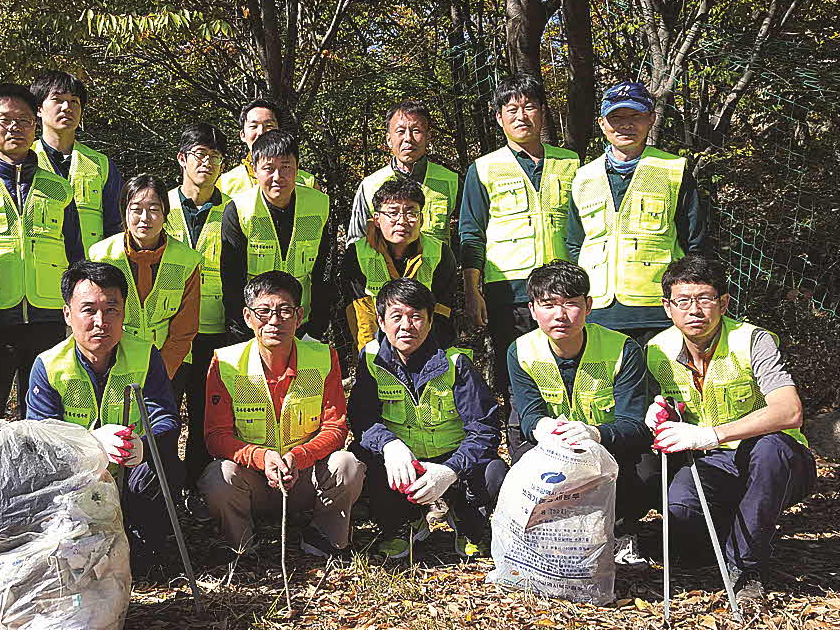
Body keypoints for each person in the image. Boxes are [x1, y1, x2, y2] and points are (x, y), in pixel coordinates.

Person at [642, 255, 813, 604]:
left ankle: (748, 569)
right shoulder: (655, 350)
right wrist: (659, 411)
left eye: (705, 299)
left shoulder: (753, 341)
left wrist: (713, 435)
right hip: (710, 466)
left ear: (723, 303)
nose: (695, 311)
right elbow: (661, 408)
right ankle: (736, 536)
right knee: (681, 516)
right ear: (667, 307)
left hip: (774, 461)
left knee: (772, 449)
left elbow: (789, 410)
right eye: (683, 301)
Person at [25, 261, 185, 577]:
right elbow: (37, 439)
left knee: (163, 468)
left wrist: (145, 444)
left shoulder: (144, 354)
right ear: (68, 314)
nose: (101, 321)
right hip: (74, 478)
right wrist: (91, 444)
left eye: (111, 310)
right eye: (88, 310)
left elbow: (165, 415)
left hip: (130, 469)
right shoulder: (48, 365)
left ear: (124, 314)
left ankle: (147, 549)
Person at [457, 73, 581, 454]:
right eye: (512, 109)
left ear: (543, 113)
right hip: (507, 290)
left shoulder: (572, 162)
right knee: (519, 375)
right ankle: (523, 454)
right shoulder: (484, 168)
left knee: (571, 373)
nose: (521, 115)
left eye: (529, 106)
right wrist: (472, 291)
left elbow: (584, 224)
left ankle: (576, 453)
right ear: (498, 117)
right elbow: (471, 232)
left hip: (564, 290)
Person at [199, 271, 364, 558]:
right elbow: (216, 437)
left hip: (305, 478)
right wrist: (261, 458)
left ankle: (324, 538)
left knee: (347, 464)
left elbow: (335, 429)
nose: (274, 321)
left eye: (284, 311)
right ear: (248, 317)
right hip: (254, 482)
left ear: (299, 316)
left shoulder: (324, 357)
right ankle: (241, 546)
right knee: (218, 476)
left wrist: (297, 458)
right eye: (263, 312)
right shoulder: (225, 363)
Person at [507, 260, 653, 562]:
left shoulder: (623, 349)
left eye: (571, 304)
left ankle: (621, 529)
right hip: (553, 451)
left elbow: (635, 424)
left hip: (610, 451)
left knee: (647, 470)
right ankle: (550, 533)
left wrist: (595, 433)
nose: (560, 315)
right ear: (533, 310)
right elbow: (528, 412)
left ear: (588, 305)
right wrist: (542, 427)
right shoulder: (520, 351)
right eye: (548, 305)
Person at [348, 279, 504, 559]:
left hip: (453, 462)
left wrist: (451, 470)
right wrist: (389, 445)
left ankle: (469, 523)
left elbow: (485, 429)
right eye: (396, 317)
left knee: (493, 471)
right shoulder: (371, 360)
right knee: (362, 457)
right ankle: (402, 525)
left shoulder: (455, 362)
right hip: (403, 462)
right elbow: (361, 419)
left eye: (416, 317)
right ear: (381, 322)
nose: (406, 326)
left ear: (430, 322)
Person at [0, 83, 80, 449]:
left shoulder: (58, 186)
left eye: (24, 120)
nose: (15, 128)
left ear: (35, 126)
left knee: (46, 419)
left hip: (47, 317)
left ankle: (41, 494)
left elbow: (75, 253)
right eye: (5, 120)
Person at [566, 81, 709, 344]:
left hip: (659, 309)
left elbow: (694, 242)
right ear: (601, 123)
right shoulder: (583, 177)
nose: (626, 125)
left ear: (651, 119)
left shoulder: (673, 170)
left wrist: (689, 301)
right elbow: (575, 243)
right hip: (598, 311)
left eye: (636, 116)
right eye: (616, 118)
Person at [163, 123, 230, 520]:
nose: (206, 163)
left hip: (215, 325)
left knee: (208, 414)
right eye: (199, 155)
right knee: (166, 410)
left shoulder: (233, 208)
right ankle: (165, 489)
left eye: (214, 157)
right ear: (182, 159)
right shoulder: (160, 205)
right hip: (168, 325)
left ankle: (197, 490)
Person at [219, 130, 334, 342]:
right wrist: (242, 332)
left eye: (286, 167)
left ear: (297, 168)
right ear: (255, 170)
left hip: (302, 323)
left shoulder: (319, 204)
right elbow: (231, 281)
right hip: (255, 326)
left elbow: (323, 272)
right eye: (268, 169)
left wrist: (316, 327)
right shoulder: (239, 210)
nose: (277, 177)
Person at [88, 174, 202, 380]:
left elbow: (185, 328)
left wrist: (161, 372)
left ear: (166, 214)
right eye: (136, 209)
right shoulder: (101, 255)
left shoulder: (187, 260)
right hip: (115, 361)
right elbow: (96, 316)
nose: (144, 218)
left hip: (170, 362)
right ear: (124, 213)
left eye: (153, 209)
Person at [340, 177, 458, 351]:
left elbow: (442, 313)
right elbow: (361, 317)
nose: (402, 221)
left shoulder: (440, 253)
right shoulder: (357, 254)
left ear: (421, 219)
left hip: (427, 345)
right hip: (377, 346)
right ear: (377, 219)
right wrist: (371, 359)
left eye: (411, 213)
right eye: (393, 213)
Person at [29, 70, 122, 252]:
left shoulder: (101, 164)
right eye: (57, 99)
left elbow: (116, 227)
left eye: (74, 101)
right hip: (40, 271)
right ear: (39, 109)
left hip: (91, 272)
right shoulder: (25, 161)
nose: (67, 107)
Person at [347, 101, 460, 246]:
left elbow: (471, 232)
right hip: (383, 268)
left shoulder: (450, 181)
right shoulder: (370, 185)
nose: (408, 138)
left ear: (428, 137)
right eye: (400, 131)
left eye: (416, 131)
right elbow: (356, 241)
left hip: (437, 268)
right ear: (389, 139)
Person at [215, 99, 317, 196]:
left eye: (269, 125)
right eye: (253, 126)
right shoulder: (225, 183)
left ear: (279, 131)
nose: (261, 132)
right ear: (242, 135)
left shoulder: (308, 182)